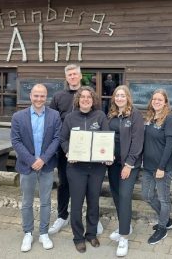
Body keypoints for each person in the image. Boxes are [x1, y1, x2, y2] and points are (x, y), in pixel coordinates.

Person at [48, 65, 104, 236]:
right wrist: (64, 149)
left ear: (80, 76)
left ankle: (93, 220)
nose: (72, 77)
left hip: (90, 154)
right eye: (69, 74)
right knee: (64, 184)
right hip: (66, 151)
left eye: (75, 74)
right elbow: (52, 122)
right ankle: (62, 215)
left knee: (91, 188)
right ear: (66, 77)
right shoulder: (58, 97)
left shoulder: (90, 95)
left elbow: (100, 121)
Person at [11, 84, 62, 252]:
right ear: (30, 96)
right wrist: (32, 160)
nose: (39, 99)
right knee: (27, 201)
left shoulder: (54, 116)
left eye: (42, 96)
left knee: (46, 201)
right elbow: (16, 141)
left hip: (46, 166)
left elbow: (56, 139)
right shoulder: (18, 116)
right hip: (27, 166)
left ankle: (44, 233)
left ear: (46, 97)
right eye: (36, 96)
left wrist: (43, 159)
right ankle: (28, 233)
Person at [60, 86, 111, 253]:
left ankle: (91, 234)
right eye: (82, 97)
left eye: (89, 97)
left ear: (93, 100)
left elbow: (106, 138)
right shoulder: (70, 118)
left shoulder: (100, 116)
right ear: (78, 100)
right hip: (76, 168)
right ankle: (78, 237)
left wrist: (107, 154)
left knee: (93, 202)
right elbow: (63, 139)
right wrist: (68, 152)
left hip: (96, 168)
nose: (86, 100)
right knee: (76, 203)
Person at [106, 85, 144, 257]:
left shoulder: (135, 115)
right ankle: (125, 225)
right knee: (115, 194)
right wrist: (105, 155)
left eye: (122, 95)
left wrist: (129, 164)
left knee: (125, 195)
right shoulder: (111, 114)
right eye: (117, 95)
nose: (119, 98)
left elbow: (137, 142)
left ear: (128, 97)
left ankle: (124, 237)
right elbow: (106, 137)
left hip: (129, 163)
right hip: (112, 162)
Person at [141, 89, 172, 245]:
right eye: (154, 99)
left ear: (165, 102)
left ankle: (162, 228)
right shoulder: (149, 117)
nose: (156, 101)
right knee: (146, 196)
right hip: (148, 166)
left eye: (160, 99)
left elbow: (169, 145)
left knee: (163, 199)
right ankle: (167, 220)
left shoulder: (169, 119)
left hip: (162, 167)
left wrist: (161, 167)